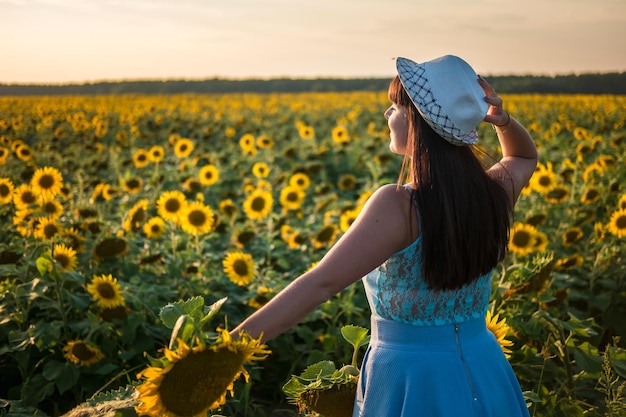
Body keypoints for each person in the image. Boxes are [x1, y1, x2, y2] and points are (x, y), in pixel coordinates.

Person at [231, 54, 537, 416]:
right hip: (485, 367)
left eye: (395, 106)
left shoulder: (398, 206)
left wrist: (230, 350)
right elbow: (522, 157)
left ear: (420, 122)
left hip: (411, 378)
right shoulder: (491, 193)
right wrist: (502, 121)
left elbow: (321, 284)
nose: (387, 114)